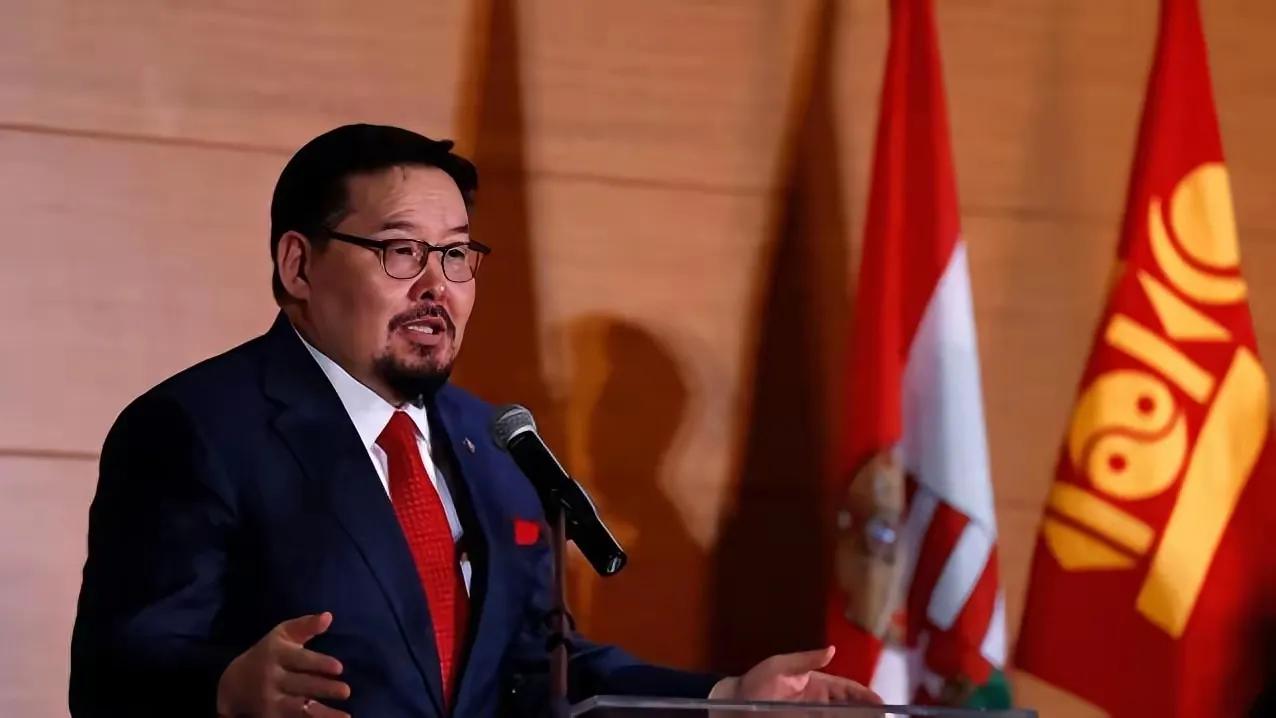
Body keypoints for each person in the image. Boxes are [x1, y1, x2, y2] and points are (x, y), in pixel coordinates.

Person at [69, 124, 879, 717]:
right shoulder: (196, 428)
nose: (438, 287)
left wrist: (727, 696)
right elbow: (111, 676)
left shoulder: (497, 446)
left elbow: (536, 669)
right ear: (299, 264)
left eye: (457, 254)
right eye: (401, 251)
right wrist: (223, 689)